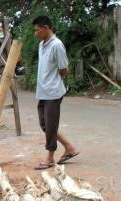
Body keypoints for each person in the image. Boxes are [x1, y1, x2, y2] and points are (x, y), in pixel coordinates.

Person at [32, 15, 79, 170]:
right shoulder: (41, 45)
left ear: (46, 28)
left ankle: (50, 158)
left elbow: (64, 69)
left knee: (51, 126)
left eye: (37, 30)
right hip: (42, 91)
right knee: (45, 125)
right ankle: (69, 147)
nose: (35, 33)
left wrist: (52, 81)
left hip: (52, 92)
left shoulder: (57, 45)